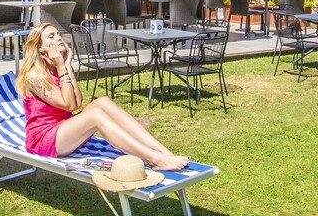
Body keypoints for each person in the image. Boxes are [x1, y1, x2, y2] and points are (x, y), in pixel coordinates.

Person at [15, 24, 189, 171]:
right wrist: (62, 67)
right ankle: (154, 159)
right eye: (51, 37)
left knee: (102, 102)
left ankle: (162, 152)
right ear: (40, 48)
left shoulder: (56, 68)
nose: (59, 38)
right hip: (44, 140)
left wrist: (66, 65)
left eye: (58, 34)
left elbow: (77, 103)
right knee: (95, 116)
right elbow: (68, 106)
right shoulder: (34, 77)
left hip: (62, 129)